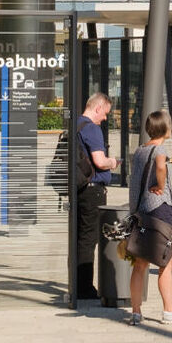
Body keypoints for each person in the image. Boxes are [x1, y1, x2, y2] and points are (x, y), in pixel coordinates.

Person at [125, 110, 172, 326]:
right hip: (159, 210)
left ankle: (135, 312)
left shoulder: (140, 150)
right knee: (166, 262)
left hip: (141, 211)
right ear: (165, 128)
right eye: (170, 125)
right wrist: (161, 186)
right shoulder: (160, 150)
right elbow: (161, 166)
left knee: (140, 263)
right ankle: (169, 311)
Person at [71, 93, 119, 298]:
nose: (105, 118)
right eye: (105, 113)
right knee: (89, 239)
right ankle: (85, 288)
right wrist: (113, 162)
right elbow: (99, 161)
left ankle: (77, 283)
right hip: (92, 190)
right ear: (98, 108)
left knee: (79, 236)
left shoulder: (75, 125)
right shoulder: (92, 128)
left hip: (79, 188)